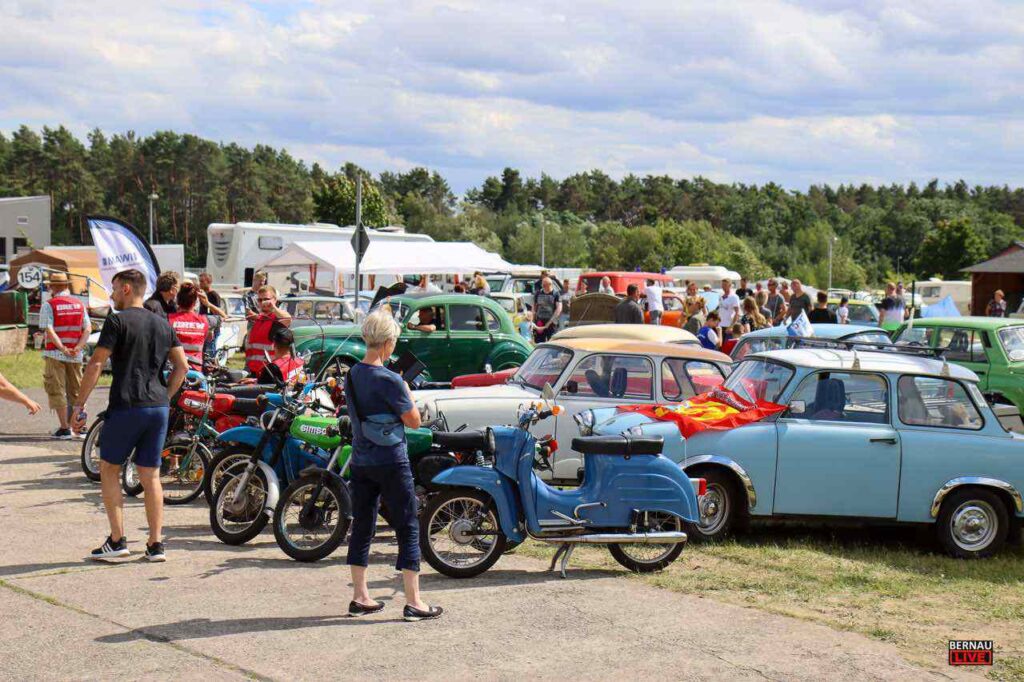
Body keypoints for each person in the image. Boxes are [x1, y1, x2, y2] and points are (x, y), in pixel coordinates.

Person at [72, 269, 189, 562]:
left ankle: (117, 540)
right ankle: (155, 544)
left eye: (113, 289)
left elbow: (96, 364)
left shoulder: (116, 320)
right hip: (158, 408)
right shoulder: (163, 323)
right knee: (151, 476)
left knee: (109, 469)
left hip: (127, 405)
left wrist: (79, 404)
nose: (111, 296)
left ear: (126, 288)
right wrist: (166, 397)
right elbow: (182, 367)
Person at [344, 308, 441, 622]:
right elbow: (413, 422)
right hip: (391, 460)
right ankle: (414, 601)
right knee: (408, 526)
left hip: (360, 459)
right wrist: (408, 393)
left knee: (362, 524)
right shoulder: (391, 380)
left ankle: (360, 596)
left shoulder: (353, 374)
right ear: (387, 342)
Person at [39, 272, 90, 439]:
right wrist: (78, 347)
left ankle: (65, 428)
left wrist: (62, 348)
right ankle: (80, 428)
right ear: (66, 286)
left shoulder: (49, 305)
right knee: (77, 390)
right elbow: (87, 328)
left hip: (55, 353)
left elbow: (49, 329)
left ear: (53, 287)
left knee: (56, 389)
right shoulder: (79, 304)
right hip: (76, 355)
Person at [244, 285, 292, 377]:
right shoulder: (260, 319)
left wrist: (273, 308)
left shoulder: (276, 320)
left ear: (275, 299)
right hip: (254, 372)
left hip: (270, 373)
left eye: (266, 299)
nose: (263, 302)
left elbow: (287, 318)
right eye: (260, 300)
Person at [167, 282, 211, 370]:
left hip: (174, 371)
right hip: (196, 372)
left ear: (178, 300)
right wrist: (208, 304)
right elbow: (224, 316)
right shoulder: (204, 321)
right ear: (195, 302)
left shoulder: (169, 319)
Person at [198, 272, 227, 359]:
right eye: (200, 281)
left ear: (208, 282)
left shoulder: (213, 295)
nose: (200, 283)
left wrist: (212, 329)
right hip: (204, 326)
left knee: (210, 352)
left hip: (212, 328)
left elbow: (217, 313)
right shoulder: (204, 294)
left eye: (202, 281)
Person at [532, 277, 562, 343]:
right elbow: (534, 307)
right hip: (540, 322)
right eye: (543, 285)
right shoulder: (538, 293)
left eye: (544, 285)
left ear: (550, 284)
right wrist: (532, 321)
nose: (543, 286)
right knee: (539, 343)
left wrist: (550, 322)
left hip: (552, 323)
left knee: (552, 342)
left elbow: (559, 308)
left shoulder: (556, 294)